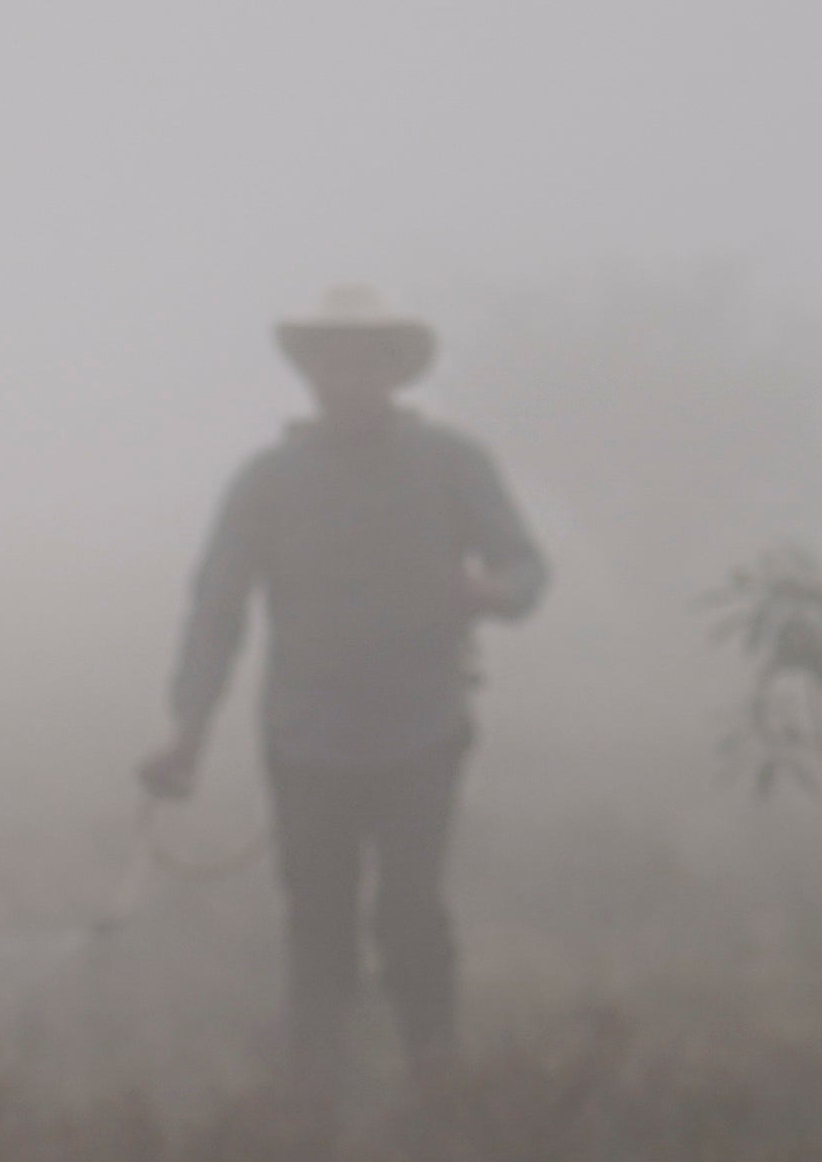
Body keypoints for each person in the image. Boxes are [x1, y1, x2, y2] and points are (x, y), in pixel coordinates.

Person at [136, 286, 549, 1105]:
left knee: (410, 911)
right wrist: (187, 732)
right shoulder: (268, 481)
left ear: (395, 371)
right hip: (305, 738)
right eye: (332, 359)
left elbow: (527, 569)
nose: (349, 376)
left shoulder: (451, 464)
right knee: (317, 923)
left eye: (367, 360)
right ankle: (314, 1101)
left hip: (422, 730)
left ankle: (436, 1079)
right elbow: (216, 609)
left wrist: (492, 594)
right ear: (310, 371)